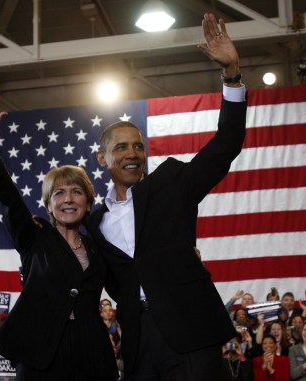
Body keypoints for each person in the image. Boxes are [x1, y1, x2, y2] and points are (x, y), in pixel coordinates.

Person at [87, 12, 246, 381]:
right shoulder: (94, 222)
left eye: (139, 146)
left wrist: (232, 74)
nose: (132, 153)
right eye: (121, 147)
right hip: (139, 342)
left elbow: (226, 146)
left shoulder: (171, 183)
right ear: (103, 158)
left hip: (190, 332)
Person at [0, 90, 118, 380]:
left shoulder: (97, 246)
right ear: (49, 204)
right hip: (42, 354)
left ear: (88, 202)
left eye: (77, 192)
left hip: (92, 352)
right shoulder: (35, 236)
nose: (68, 199)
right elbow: (9, 195)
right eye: (59, 193)